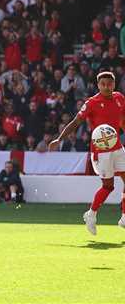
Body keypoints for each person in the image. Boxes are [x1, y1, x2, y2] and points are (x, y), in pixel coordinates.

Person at [49, 71, 125, 235]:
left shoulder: (120, 98)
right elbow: (75, 122)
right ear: (98, 85)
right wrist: (59, 139)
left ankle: (124, 217)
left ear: (114, 84)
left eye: (109, 84)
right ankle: (91, 214)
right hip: (101, 152)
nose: (106, 87)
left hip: (118, 148)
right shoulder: (92, 103)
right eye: (103, 84)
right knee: (108, 186)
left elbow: (122, 120)